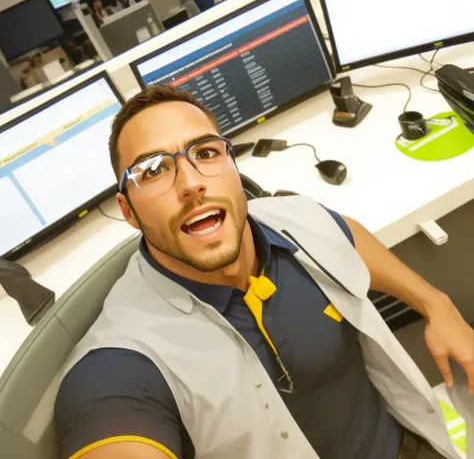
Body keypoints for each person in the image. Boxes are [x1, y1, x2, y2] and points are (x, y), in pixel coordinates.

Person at [55, 85, 474, 459]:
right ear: (128, 210)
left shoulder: (293, 219)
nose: (190, 183)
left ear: (234, 168)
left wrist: (434, 303)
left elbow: (345, 233)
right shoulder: (118, 364)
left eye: (204, 153)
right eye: (153, 170)